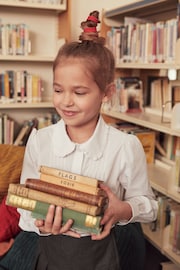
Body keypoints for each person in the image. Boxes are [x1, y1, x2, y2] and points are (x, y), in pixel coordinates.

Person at [16, 10, 158, 270]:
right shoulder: (40, 141)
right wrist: (42, 224)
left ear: (107, 92)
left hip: (103, 253)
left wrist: (122, 210)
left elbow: (149, 207)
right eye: (58, 90)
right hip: (50, 251)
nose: (66, 101)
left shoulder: (126, 147)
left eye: (79, 92)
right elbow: (25, 209)